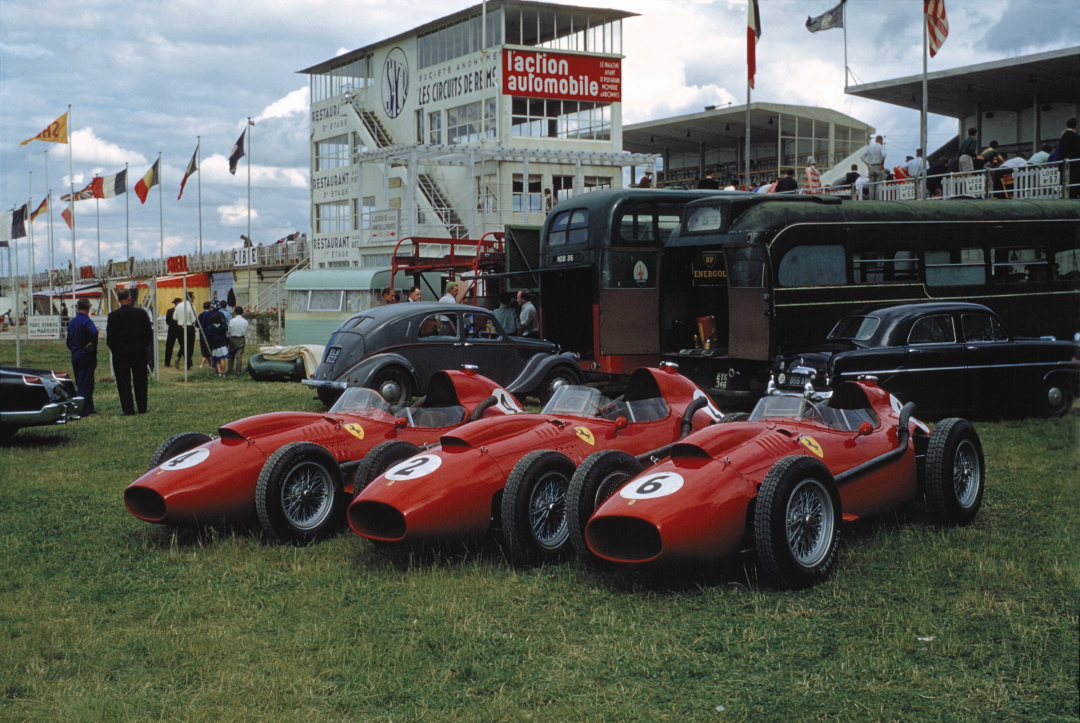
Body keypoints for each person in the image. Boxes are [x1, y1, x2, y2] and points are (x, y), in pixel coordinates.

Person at [106, 289, 153, 416]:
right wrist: (142, 347)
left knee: (123, 382)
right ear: (129, 298)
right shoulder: (141, 313)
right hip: (139, 352)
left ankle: (128, 409)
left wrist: (117, 351)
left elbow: (110, 339)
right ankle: (142, 407)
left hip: (121, 354)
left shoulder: (113, 316)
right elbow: (148, 334)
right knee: (140, 380)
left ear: (118, 300)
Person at [66, 297, 98, 416]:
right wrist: (92, 343)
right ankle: (83, 410)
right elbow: (94, 331)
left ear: (77, 307)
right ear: (89, 307)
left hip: (75, 354)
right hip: (86, 355)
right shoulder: (86, 321)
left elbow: (68, 341)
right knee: (86, 383)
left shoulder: (72, 322)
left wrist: (74, 349)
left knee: (80, 381)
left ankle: (90, 408)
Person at [204, 302, 230, 377]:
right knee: (222, 359)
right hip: (222, 344)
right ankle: (224, 372)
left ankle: (219, 372)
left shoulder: (211, 327)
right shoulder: (223, 327)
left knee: (216, 359)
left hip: (215, 345)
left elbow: (209, 336)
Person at [174, 292, 198, 370]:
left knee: (183, 344)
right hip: (189, 327)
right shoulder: (192, 307)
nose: (194, 299)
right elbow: (193, 319)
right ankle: (188, 365)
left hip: (179, 327)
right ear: (190, 298)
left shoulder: (178, 306)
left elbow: (174, 317)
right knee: (189, 347)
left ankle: (178, 356)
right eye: (193, 298)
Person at [1059, 117, 1080, 200]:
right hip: (1074, 165)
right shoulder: (1075, 137)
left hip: (1064, 164)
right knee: (1074, 183)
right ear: (1076, 126)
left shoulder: (1063, 137)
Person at [860, 135, 887, 200]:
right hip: (878, 166)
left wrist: (868, 165)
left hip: (871, 167)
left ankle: (871, 200)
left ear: (875, 140)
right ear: (881, 141)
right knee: (878, 184)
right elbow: (883, 155)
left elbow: (862, 156)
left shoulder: (869, 147)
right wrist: (882, 164)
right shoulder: (881, 147)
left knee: (871, 185)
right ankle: (877, 200)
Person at [227, 306, 249, 376]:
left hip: (233, 338)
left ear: (235, 312)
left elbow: (229, 330)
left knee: (231, 355)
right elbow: (246, 330)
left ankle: (230, 370)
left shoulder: (232, 321)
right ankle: (238, 371)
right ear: (242, 312)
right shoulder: (245, 321)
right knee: (239, 356)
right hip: (241, 338)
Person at [164, 297, 184, 368]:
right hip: (173, 330)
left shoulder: (182, 311)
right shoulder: (170, 311)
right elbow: (168, 321)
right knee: (169, 346)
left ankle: (188, 361)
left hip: (179, 330)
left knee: (183, 345)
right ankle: (167, 362)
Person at [197, 301, 215, 368]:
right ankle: (203, 364)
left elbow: (196, 324)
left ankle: (210, 364)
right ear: (210, 307)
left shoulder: (200, 315)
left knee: (204, 348)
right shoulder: (212, 314)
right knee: (210, 349)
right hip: (210, 333)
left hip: (202, 333)